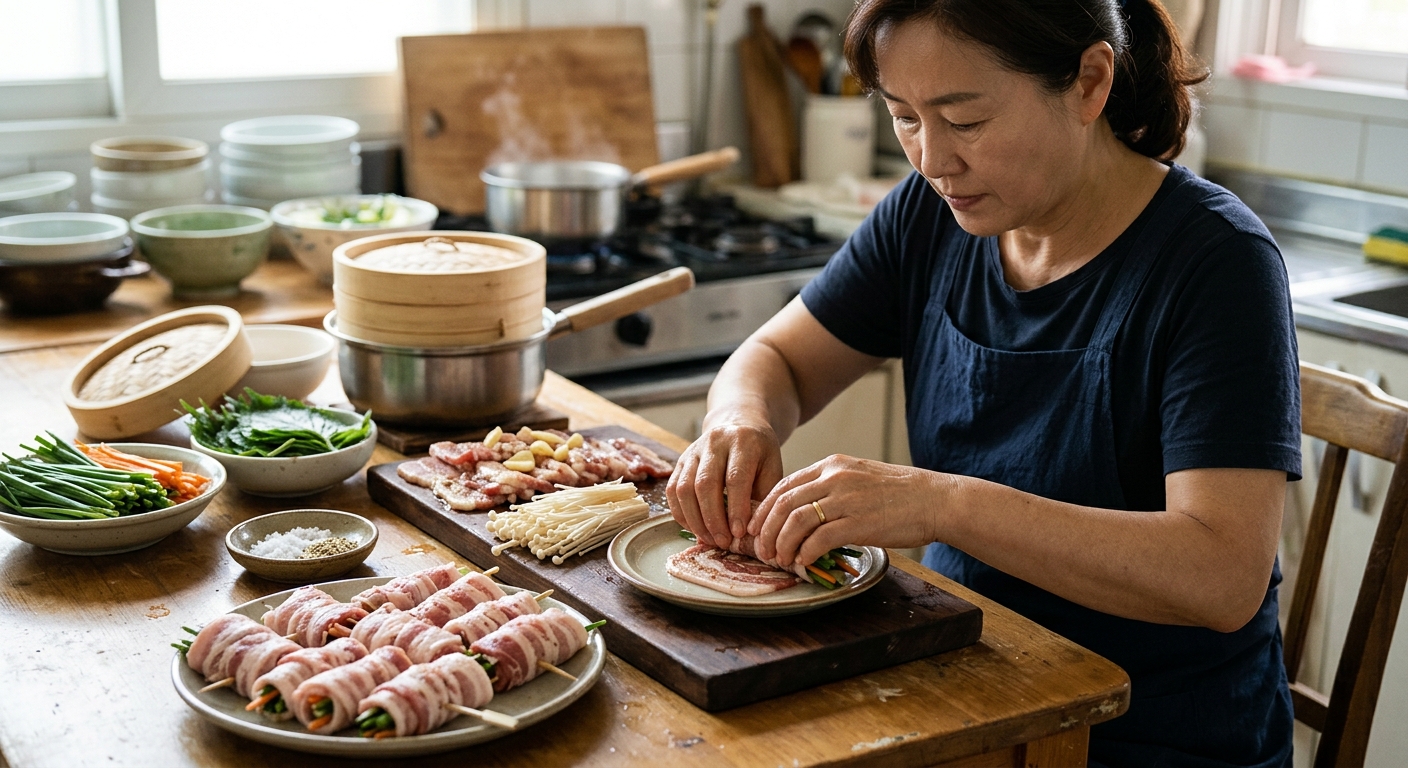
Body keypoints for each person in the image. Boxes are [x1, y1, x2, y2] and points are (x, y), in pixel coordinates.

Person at [665, 1, 1300, 765]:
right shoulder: (931, 215)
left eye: (964, 121)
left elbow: (1221, 576)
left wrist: (940, 502)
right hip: (960, 681)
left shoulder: (1217, 264)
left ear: (1090, 82)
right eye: (903, 118)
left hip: (1149, 735)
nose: (932, 159)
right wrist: (741, 420)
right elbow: (782, 359)